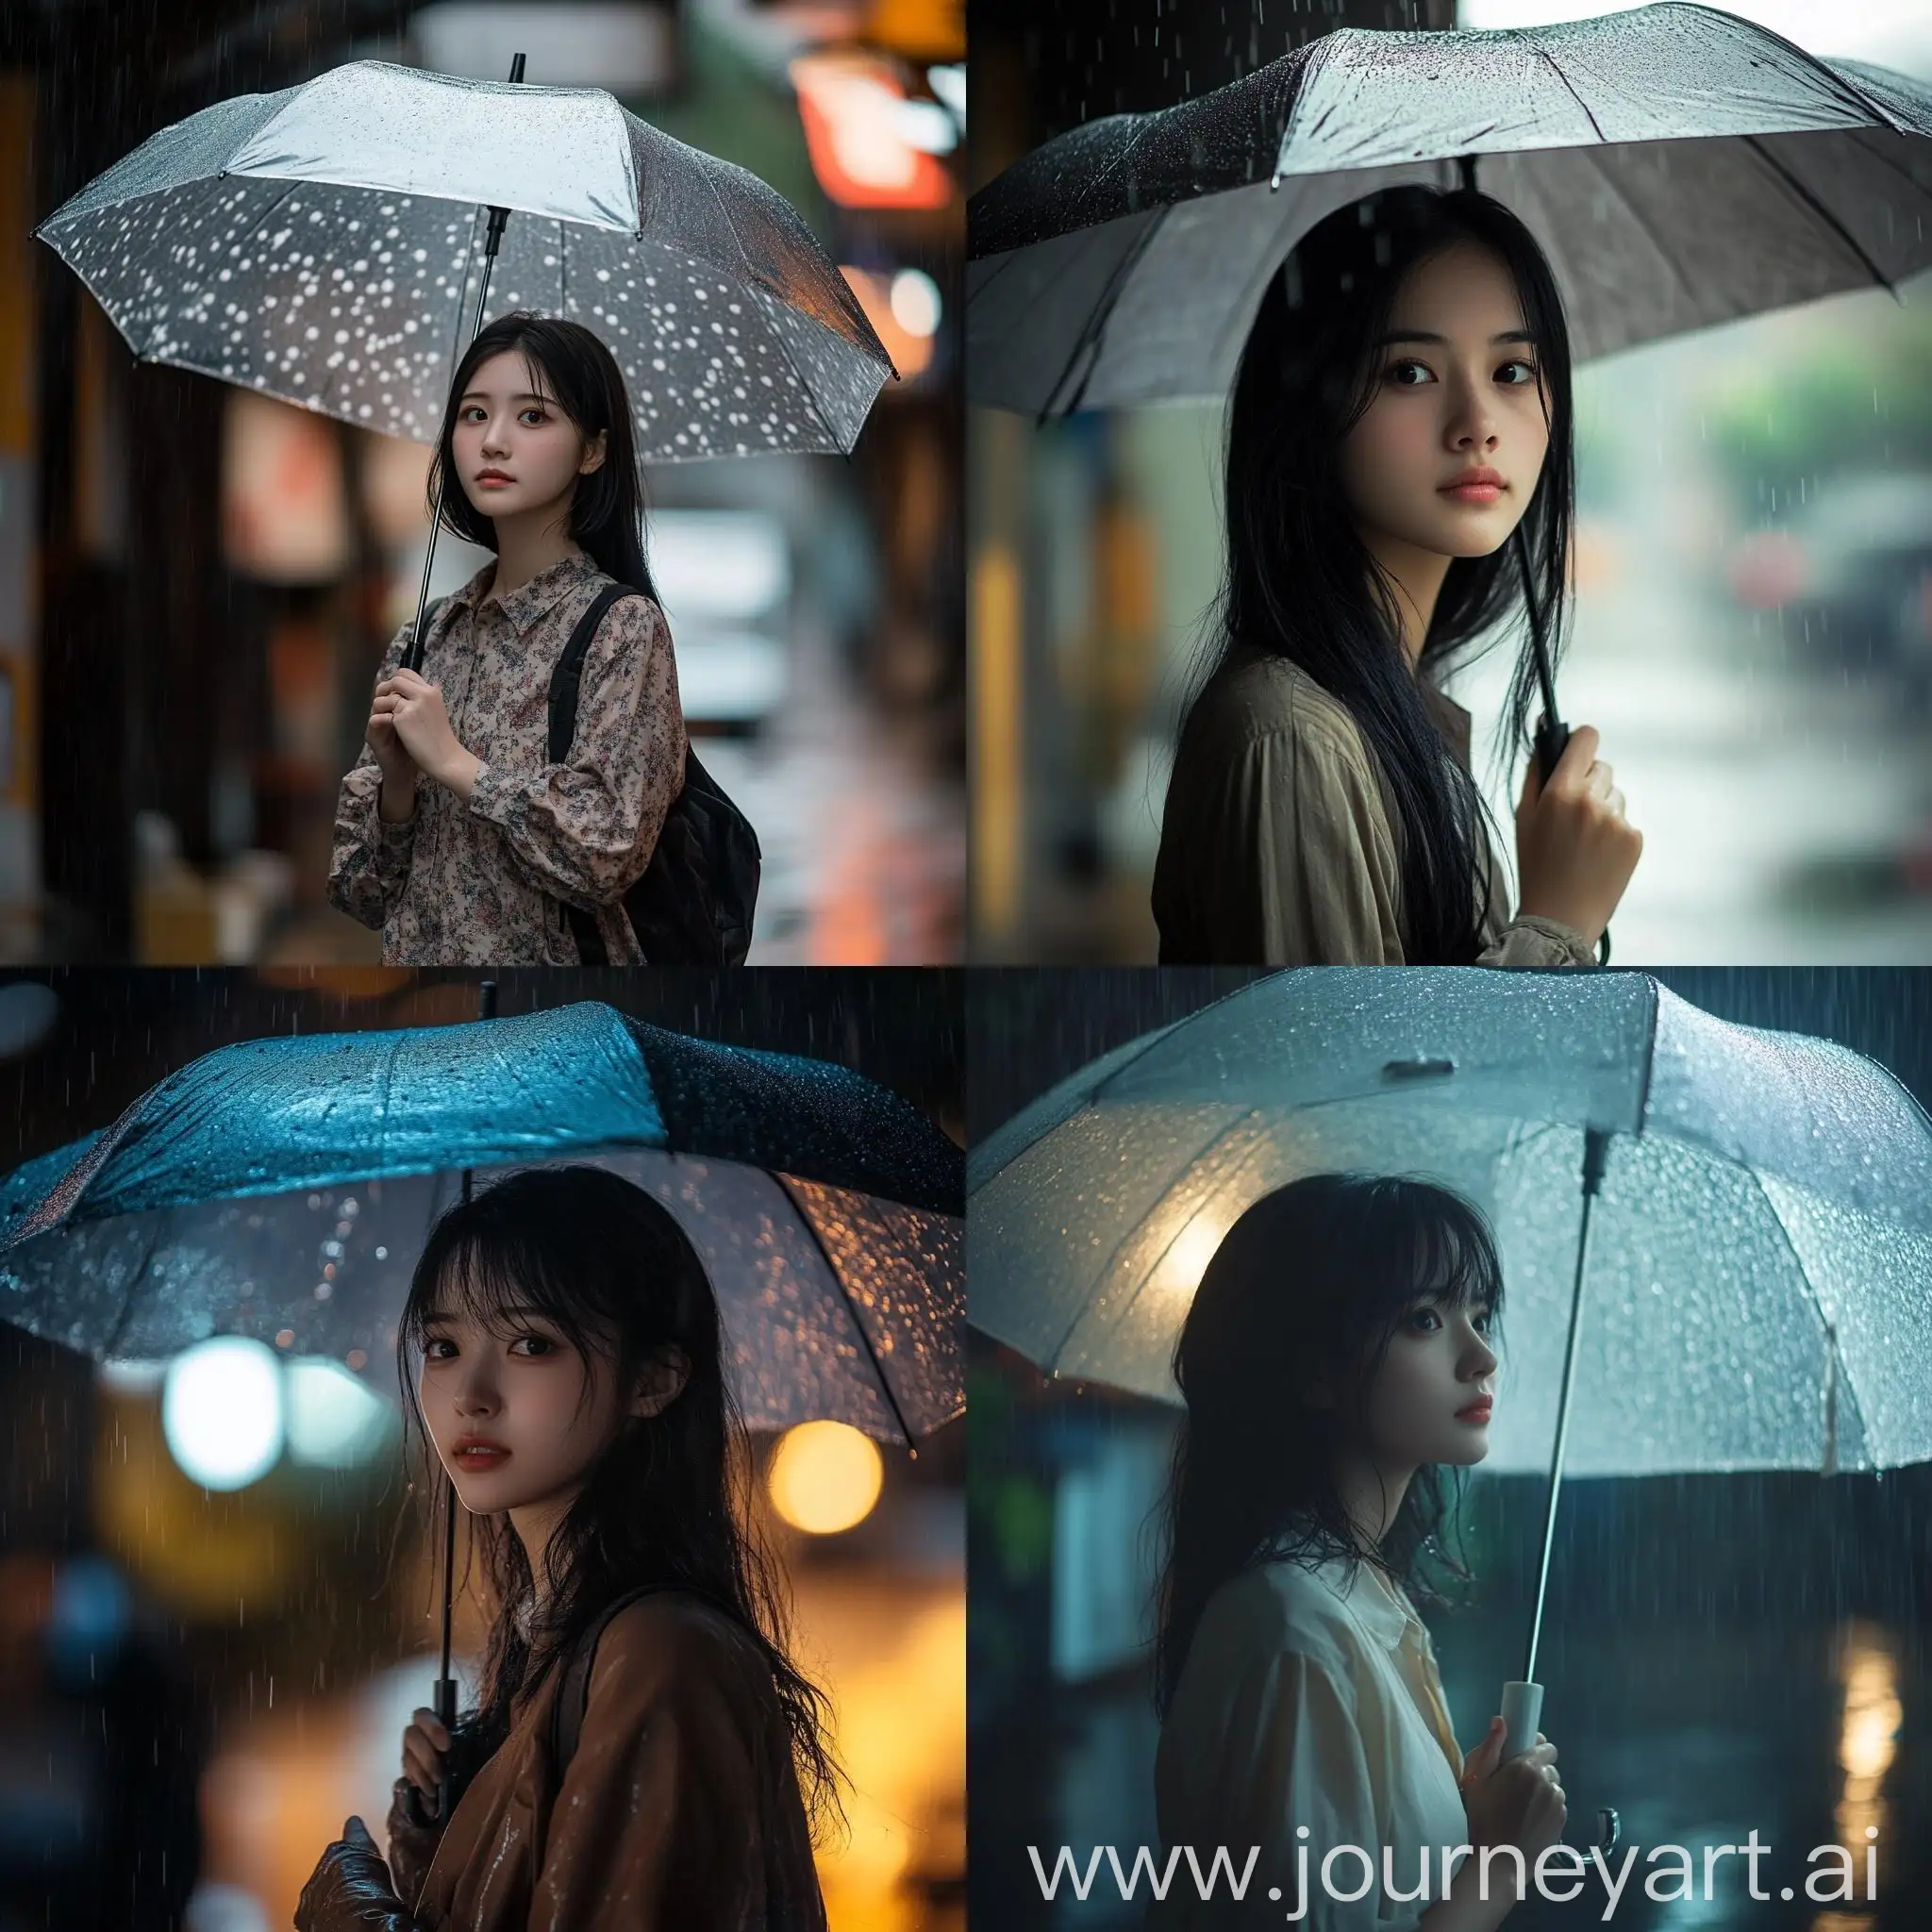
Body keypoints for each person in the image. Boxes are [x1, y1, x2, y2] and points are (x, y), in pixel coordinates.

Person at [294, 1166, 839, 1931]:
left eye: (529, 1342)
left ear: (653, 1380)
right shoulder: (559, 1647)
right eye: (444, 1345)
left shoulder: (658, 1659)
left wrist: (353, 1918)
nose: (470, 1395)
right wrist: (449, 1825)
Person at [1152, 187, 1642, 966]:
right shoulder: (1290, 744)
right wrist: (1557, 925)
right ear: (1310, 405)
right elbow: (1339, 1082)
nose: (1477, 421)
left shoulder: (1392, 717)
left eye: (1513, 369)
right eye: (1410, 372)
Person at [1149, 1176, 1565, 1931]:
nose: (1480, 1358)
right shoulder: (1294, 1630)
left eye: (1479, 1316)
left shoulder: (1359, 1599)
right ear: (1315, 1368)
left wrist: (1460, 1814)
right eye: (1426, 1318)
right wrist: (1500, 1867)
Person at [328, 313, 687, 963]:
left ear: (593, 449)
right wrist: (400, 787)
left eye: (532, 417)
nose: (493, 441)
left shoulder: (621, 629)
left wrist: (457, 765)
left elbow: (605, 857)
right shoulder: (428, 634)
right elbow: (361, 895)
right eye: (473, 414)